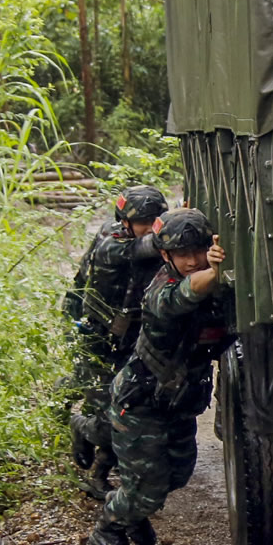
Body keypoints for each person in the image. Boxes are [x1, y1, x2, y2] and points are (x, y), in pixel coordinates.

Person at [85, 208, 234, 545]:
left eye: (199, 251)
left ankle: (132, 510)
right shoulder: (161, 291)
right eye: (183, 254)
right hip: (141, 403)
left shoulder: (212, 285)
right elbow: (187, 293)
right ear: (165, 255)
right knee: (148, 487)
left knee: (178, 473)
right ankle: (107, 528)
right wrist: (212, 271)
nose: (193, 260)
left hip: (178, 403)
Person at [61, 185, 168, 496]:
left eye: (156, 220)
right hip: (98, 340)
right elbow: (141, 248)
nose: (150, 228)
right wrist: (169, 229)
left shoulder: (151, 243)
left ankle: (100, 474)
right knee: (106, 419)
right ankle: (79, 424)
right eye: (143, 222)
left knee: (126, 411)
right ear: (125, 222)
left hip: (132, 341)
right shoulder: (113, 243)